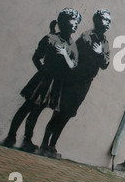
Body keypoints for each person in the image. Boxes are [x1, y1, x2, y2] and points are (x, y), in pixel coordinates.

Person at [3, 8, 82, 152]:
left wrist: (65, 55)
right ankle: (11, 136)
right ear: (64, 21)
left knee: (36, 112)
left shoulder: (72, 45)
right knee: (26, 108)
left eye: (78, 21)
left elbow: (73, 65)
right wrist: (43, 71)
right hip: (42, 80)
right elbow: (36, 57)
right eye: (73, 20)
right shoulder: (51, 38)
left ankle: (27, 139)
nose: (76, 24)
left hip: (54, 83)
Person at [39, 9, 111, 158]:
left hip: (85, 84)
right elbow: (75, 55)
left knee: (68, 114)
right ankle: (45, 144)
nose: (108, 23)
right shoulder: (86, 36)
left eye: (109, 20)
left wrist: (99, 54)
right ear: (98, 20)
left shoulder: (105, 42)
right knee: (59, 112)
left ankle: (52, 145)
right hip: (73, 80)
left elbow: (105, 63)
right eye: (106, 20)